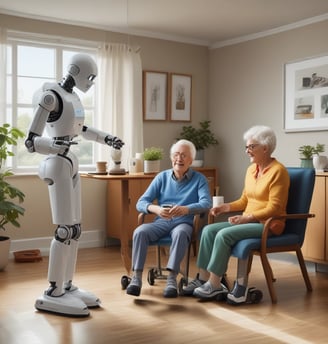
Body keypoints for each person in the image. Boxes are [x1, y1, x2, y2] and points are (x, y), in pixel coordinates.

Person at [25, 54, 124, 316]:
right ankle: (53, 291)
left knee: (76, 229)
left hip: (71, 160)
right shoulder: (50, 97)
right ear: (76, 71)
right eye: (89, 77)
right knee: (65, 230)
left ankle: (67, 286)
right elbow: (31, 141)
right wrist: (53, 145)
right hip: (56, 161)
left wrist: (107, 138)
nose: (91, 82)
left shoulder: (74, 98)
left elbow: (82, 128)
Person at [182, 125, 290, 304]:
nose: (247, 151)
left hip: (268, 225)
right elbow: (244, 200)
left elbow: (275, 208)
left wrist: (247, 217)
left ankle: (214, 284)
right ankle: (202, 278)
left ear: (265, 148)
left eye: (251, 147)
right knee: (209, 230)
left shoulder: (279, 172)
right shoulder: (251, 170)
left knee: (224, 234)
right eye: (246, 147)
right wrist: (225, 207)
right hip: (250, 221)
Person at [126, 139, 212, 298]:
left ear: (191, 160)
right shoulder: (161, 177)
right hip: (162, 221)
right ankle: (136, 277)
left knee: (180, 234)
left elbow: (206, 203)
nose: (179, 158)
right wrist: (156, 209)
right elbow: (141, 202)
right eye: (176, 155)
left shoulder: (199, 179)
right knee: (140, 232)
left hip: (185, 223)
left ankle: (172, 279)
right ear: (172, 157)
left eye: (184, 155)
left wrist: (186, 209)